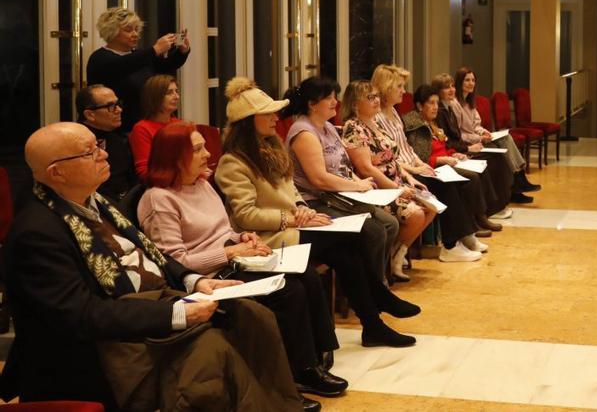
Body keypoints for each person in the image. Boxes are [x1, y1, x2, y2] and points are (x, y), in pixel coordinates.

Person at [1, 122, 306, 411]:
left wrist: (195, 282)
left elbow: (153, 256)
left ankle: (279, 401)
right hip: (98, 349)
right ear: (57, 173)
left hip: (148, 305)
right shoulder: (37, 233)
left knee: (252, 315)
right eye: (90, 152)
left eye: (100, 145)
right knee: (212, 350)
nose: (104, 154)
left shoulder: (98, 201)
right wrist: (176, 313)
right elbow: (82, 314)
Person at [139, 122, 346, 401]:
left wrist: (243, 238)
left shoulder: (201, 184)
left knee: (305, 273)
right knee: (287, 290)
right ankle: (297, 373)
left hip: (232, 263)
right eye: (198, 149)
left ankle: (316, 357)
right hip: (208, 278)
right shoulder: (158, 199)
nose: (206, 154)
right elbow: (173, 262)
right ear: (175, 157)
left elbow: (223, 231)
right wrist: (229, 253)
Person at [215, 77, 420, 348]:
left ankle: (373, 324)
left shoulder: (271, 149)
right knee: (352, 238)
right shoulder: (233, 163)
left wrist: (301, 208)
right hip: (268, 239)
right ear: (249, 120)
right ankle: (378, 305)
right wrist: (290, 217)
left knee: (347, 250)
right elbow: (245, 216)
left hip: (294, 227)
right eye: (268, 113)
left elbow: (293, 192)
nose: (276, 117)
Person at [282, 77, 399, 283]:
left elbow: (344, 165)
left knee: (390, 223)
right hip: (315, 201)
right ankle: (370, 286)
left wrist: (364, 187)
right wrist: (357, 185)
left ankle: (372, 281)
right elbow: (319, 180)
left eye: (335, 96)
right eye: (328, 98)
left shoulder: (327, 126)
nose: (335, 101)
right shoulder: (304, 132)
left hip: (339, 194)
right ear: (312, 104)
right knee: (374, 231)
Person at [372, 64, 485, 263]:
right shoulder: (378, 118)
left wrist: (420, 163)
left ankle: (464, 236)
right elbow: (390, 156)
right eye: (399, 87)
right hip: (401, 173)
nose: (403, 91)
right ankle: (450, 246)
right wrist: (416, 168)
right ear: (386, 88)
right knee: (446, 186)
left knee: (457, 181)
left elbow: (406, 148)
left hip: (412, 167)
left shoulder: (394, 114)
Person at [340, 80, 435, 280]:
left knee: (432, 206)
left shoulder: (375, 124)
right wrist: (397, 189)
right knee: (416, 214)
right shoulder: (353, 128)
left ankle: (397, 253)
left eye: (376, 96)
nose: (376, 100)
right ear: (356, 104)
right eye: (370, 97)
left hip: (396, 181)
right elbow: (366, 168)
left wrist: (410, 179)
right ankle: (391, 258)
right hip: (377, 190)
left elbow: (393, 159)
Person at [403, 85, 503, 249]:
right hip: (432, 169)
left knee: (476, 173)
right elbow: (421, 157)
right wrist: (441, 160)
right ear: (420, 106)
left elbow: (442, 146)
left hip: (445, 163)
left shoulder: (432, 123)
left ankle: (474, 225)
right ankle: (472, 227)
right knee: (470, 179)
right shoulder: (416, 126)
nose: (436, 107)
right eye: (431, 103)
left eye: (437, 103)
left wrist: (453, 153)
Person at [86, 7, 190, 132]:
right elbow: (123, 65)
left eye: (136, 29)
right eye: (128, 30)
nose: (135, 34)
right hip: (116, 126)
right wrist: (155, 50)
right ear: (111, 32)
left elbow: (165, 65)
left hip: (144, 122)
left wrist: (182, 51)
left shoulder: (140, 55)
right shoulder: (100, 58)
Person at [432, 72, 519, 209]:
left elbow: (470, 128)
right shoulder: (442, 111)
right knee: (494, 159)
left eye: (452, 86)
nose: (451, 90)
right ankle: (492, 206)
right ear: (438, 91)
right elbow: (451, 139)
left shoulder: (449, 108)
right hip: (458, 149)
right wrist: (467, 149)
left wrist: (481, 134)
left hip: (461, 147)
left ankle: (503, 200)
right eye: (446, 87)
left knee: (499, 156)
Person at [452, 66, 541, 195]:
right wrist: (480, 138)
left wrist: (483, 132)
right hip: (468, 143)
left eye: (473, 80)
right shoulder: (455, 104)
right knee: (503, 144)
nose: (471, 83)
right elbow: (459, 134)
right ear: (459, 82)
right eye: (467, 80)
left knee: (505, 139)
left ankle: (518, 180)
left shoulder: (470, 102)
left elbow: (476, 125)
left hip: (477, 139)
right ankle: (518, 181)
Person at [76, 84, 138, 210]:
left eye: (118, 104)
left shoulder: (118, 138)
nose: (119, 110)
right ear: (90, 115)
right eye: (111, 106)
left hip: (127, 203)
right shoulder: (76, 143)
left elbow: (132, 177)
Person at [130, 74, 180, 179]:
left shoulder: (180, 124)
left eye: (176, 91)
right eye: (169, 93)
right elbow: (144, 171)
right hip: (161, 186)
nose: (176, 97)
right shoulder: (142, 128)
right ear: (155, 97)